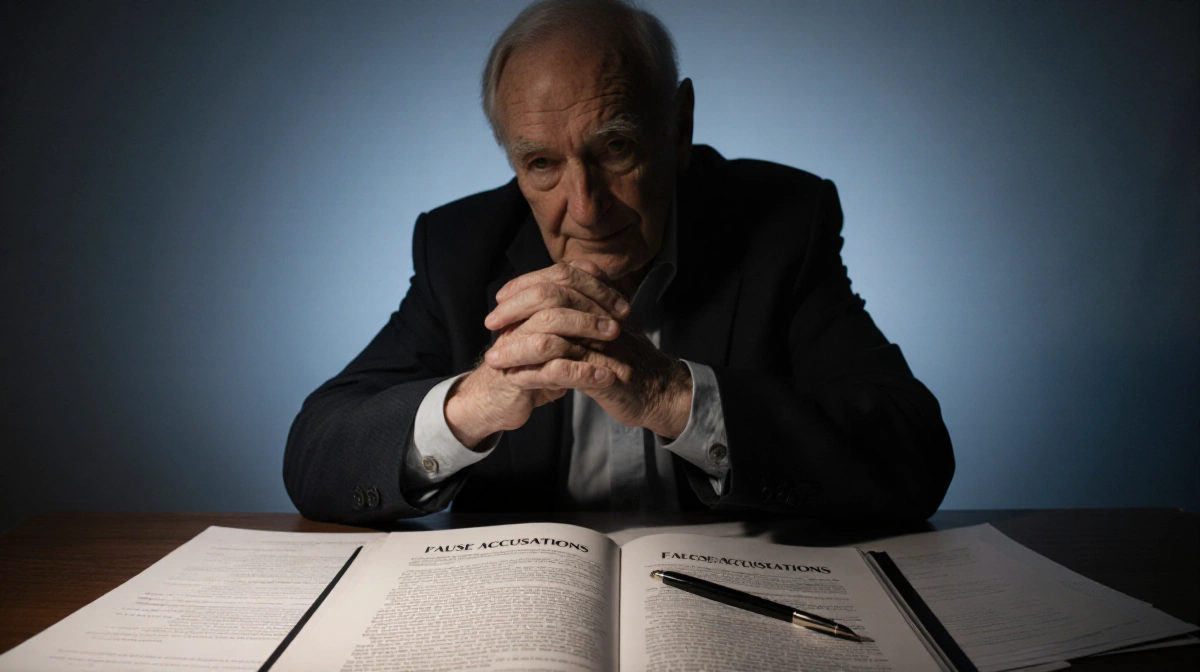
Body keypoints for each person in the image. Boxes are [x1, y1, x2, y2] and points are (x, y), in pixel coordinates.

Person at [283, 0, 954, 525]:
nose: (586, 207)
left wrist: (673, 397)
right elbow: (316, 456)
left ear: (679, 126)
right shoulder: (460, 247)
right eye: (542, 164)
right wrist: (475, 402)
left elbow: (913, 457)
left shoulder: (784, 225)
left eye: (616, 149)